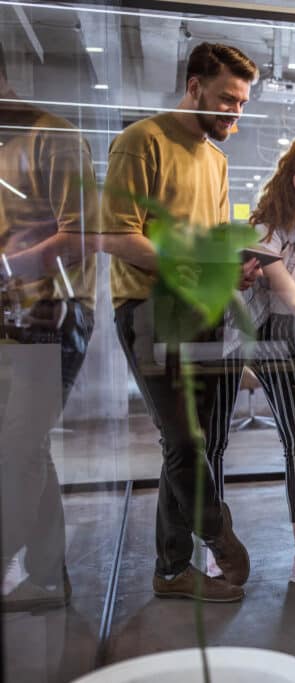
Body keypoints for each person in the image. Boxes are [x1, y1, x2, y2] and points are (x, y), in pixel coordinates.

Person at [101, 42, 258, 602]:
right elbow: (117, 235)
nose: (233, 113)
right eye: (225, 100)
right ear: (194, 86)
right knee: (185, 437)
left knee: (191, 446)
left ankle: (171, 571)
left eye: (241, 103)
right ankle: (216, 529)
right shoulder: (142, 140)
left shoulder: (216, 158)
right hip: (149, 309)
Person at [204, 136, 295, 591]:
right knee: (212, 442)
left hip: (284, 332)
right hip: (233, 327)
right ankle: (211, 546)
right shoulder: (264, 230)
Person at [0, 42, 99, 611]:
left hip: (52, 313)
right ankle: (44, 577)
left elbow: (80, 232)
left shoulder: (52, 137)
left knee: (18, 448)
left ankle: (24, 564)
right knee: (23, 447)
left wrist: (8, 265)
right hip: (10, 316)